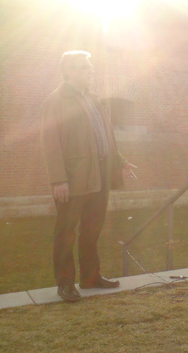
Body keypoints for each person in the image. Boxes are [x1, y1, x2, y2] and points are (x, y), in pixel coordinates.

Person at [40, 51, 137, 303]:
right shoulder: (56, 101)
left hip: (100, 177)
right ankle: (65, 284)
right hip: (72, 180)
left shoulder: (94, 99)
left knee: (91, 231)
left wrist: (121, 162)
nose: (90, 71)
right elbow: (51, 143)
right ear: (69, 71)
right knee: (66, 233)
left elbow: (105, 136)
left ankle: (90, 278)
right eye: (84, 67)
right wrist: (58, 180)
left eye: (90, 67)